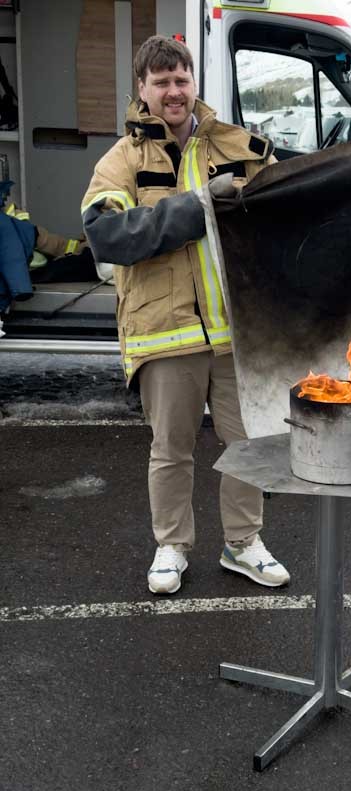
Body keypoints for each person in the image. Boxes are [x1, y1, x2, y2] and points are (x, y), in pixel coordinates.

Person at [81, 35, 289, 595]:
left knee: (249, 444)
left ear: (194, 83)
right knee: (171, 449)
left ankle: (243, 543)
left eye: (181, 80)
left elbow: (286, 208)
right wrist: (197, 206)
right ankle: (171, 545)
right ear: (142, 91)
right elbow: (106, 236)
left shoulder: (237, 144)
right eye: (161, 82)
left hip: (234, 333)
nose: (174, 91)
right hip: (162, 334)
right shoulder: (119, 161)